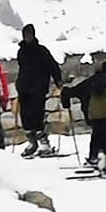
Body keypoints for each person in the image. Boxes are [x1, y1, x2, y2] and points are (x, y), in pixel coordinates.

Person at [15, 22, 63, 157]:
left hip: (38, 88)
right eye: (25, 35)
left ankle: (43, 142)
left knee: (37, 115)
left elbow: (52, 66)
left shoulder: (41, 51)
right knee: (25, 116)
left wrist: (58, 80)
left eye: (29, 34)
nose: (27, 37)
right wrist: (19, 85)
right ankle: (31, 142)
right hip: (24, 88)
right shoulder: (21, 51)